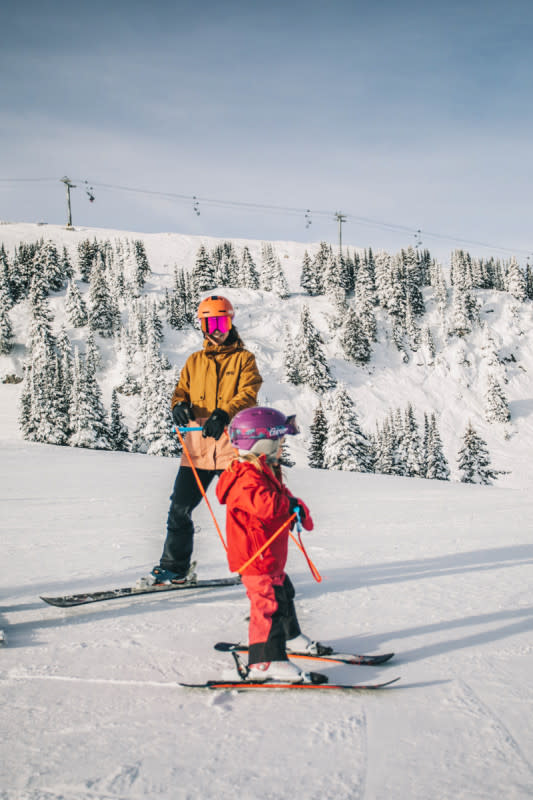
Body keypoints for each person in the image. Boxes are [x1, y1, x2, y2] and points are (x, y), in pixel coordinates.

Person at [141, 295, 262, 586]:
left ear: (230, 324)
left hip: (231, 449)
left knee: (242, 509)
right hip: (197, 450)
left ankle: (256, 565)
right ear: (203, 327)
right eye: (210, 324)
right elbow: (181, 391)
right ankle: (175, 567)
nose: (216, 329)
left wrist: (225, 413)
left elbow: (248, 392)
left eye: (222, 322)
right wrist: (178, 406)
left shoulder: (244, 359)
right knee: (179, 508)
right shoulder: (194, 361)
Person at [216, 406, 331, 683]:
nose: (282, 447)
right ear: (263, 443)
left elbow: (280, 499)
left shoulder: (265, 470)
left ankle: (290, 638)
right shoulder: (246, 477)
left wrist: (296, 508)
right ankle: (266, 662)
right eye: (280, 442)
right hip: (255, 557)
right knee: (268, 606)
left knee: (283, 594)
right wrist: (289, 505)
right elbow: (266, 505)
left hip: (267, 555)